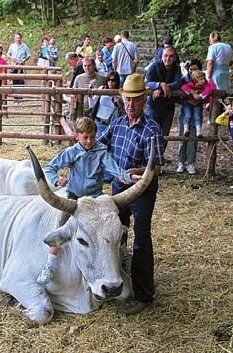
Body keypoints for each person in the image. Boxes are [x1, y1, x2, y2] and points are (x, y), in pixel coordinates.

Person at [37, 117, 140, 284]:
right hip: (75, 199)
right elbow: (50, 167)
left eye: (92, 137)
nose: (89, 141)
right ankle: (50, 263)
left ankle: (122, 254)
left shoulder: (101, 151)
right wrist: (56, 180)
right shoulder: (72, 152)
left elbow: (115, 170)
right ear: (77, 136)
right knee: (62, 226)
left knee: (112, 227)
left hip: (95, 200)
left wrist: (127, 177)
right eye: (85, 137)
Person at [98, 73, 164, 315]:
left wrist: (136, 171)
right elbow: (97, 145)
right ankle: (118, 282)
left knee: (141, 239)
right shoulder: (116, 123)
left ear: (144, 100)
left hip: (142, 191)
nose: (130, 104)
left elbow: (156, 167)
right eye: (127, 99)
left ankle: (144, 295)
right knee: (116, 235)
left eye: (135, 99)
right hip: (118, 189)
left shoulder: (152, 128)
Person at [145, 45, 182, 152]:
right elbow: (147, 82)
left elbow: (178, 83)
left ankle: (159, 162)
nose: (168, 59)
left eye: (171, 56)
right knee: (150, 134)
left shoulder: (177, 68)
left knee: (164, 136)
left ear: (174, 57)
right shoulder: (154, 66)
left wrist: (163, 87)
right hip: (153, 106)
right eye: (165, 56)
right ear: (161, 56)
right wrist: (159, 84)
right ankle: (148, 162)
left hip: (168, 107)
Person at [177, 59, 201, 174]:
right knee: (183, 137)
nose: (193, 72)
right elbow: (178, 93)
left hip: (197, 110)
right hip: (185, 110)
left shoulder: (202, 80)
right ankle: (181, 162)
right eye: (191, 69)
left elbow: (208, 90)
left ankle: (191, 163)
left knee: (193, 138)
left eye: (195, 69)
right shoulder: (183, 80)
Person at [181, 70, 216, 138]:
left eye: (203, 78)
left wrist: (201, 95)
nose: (203, 80)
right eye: (201, 79)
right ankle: (186, 130)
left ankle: (199, 131)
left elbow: (210, 88)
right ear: (196, 80)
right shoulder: (191, 84)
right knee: (188, 115)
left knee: (197, 116)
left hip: (197, 104)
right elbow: (183, 87)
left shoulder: (205, 85)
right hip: (188, 103)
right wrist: (193, 92)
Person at [93, 71, 124, 138]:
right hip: (99, 122)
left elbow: (122, 110)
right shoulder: (102, 89)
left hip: (112, 123)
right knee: (99, 143)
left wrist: (117, 103)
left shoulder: (120, 93)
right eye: (108, 80)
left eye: (113, 80)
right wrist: (90, 93)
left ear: (117, 81)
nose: (110, 82)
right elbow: (92, 103)